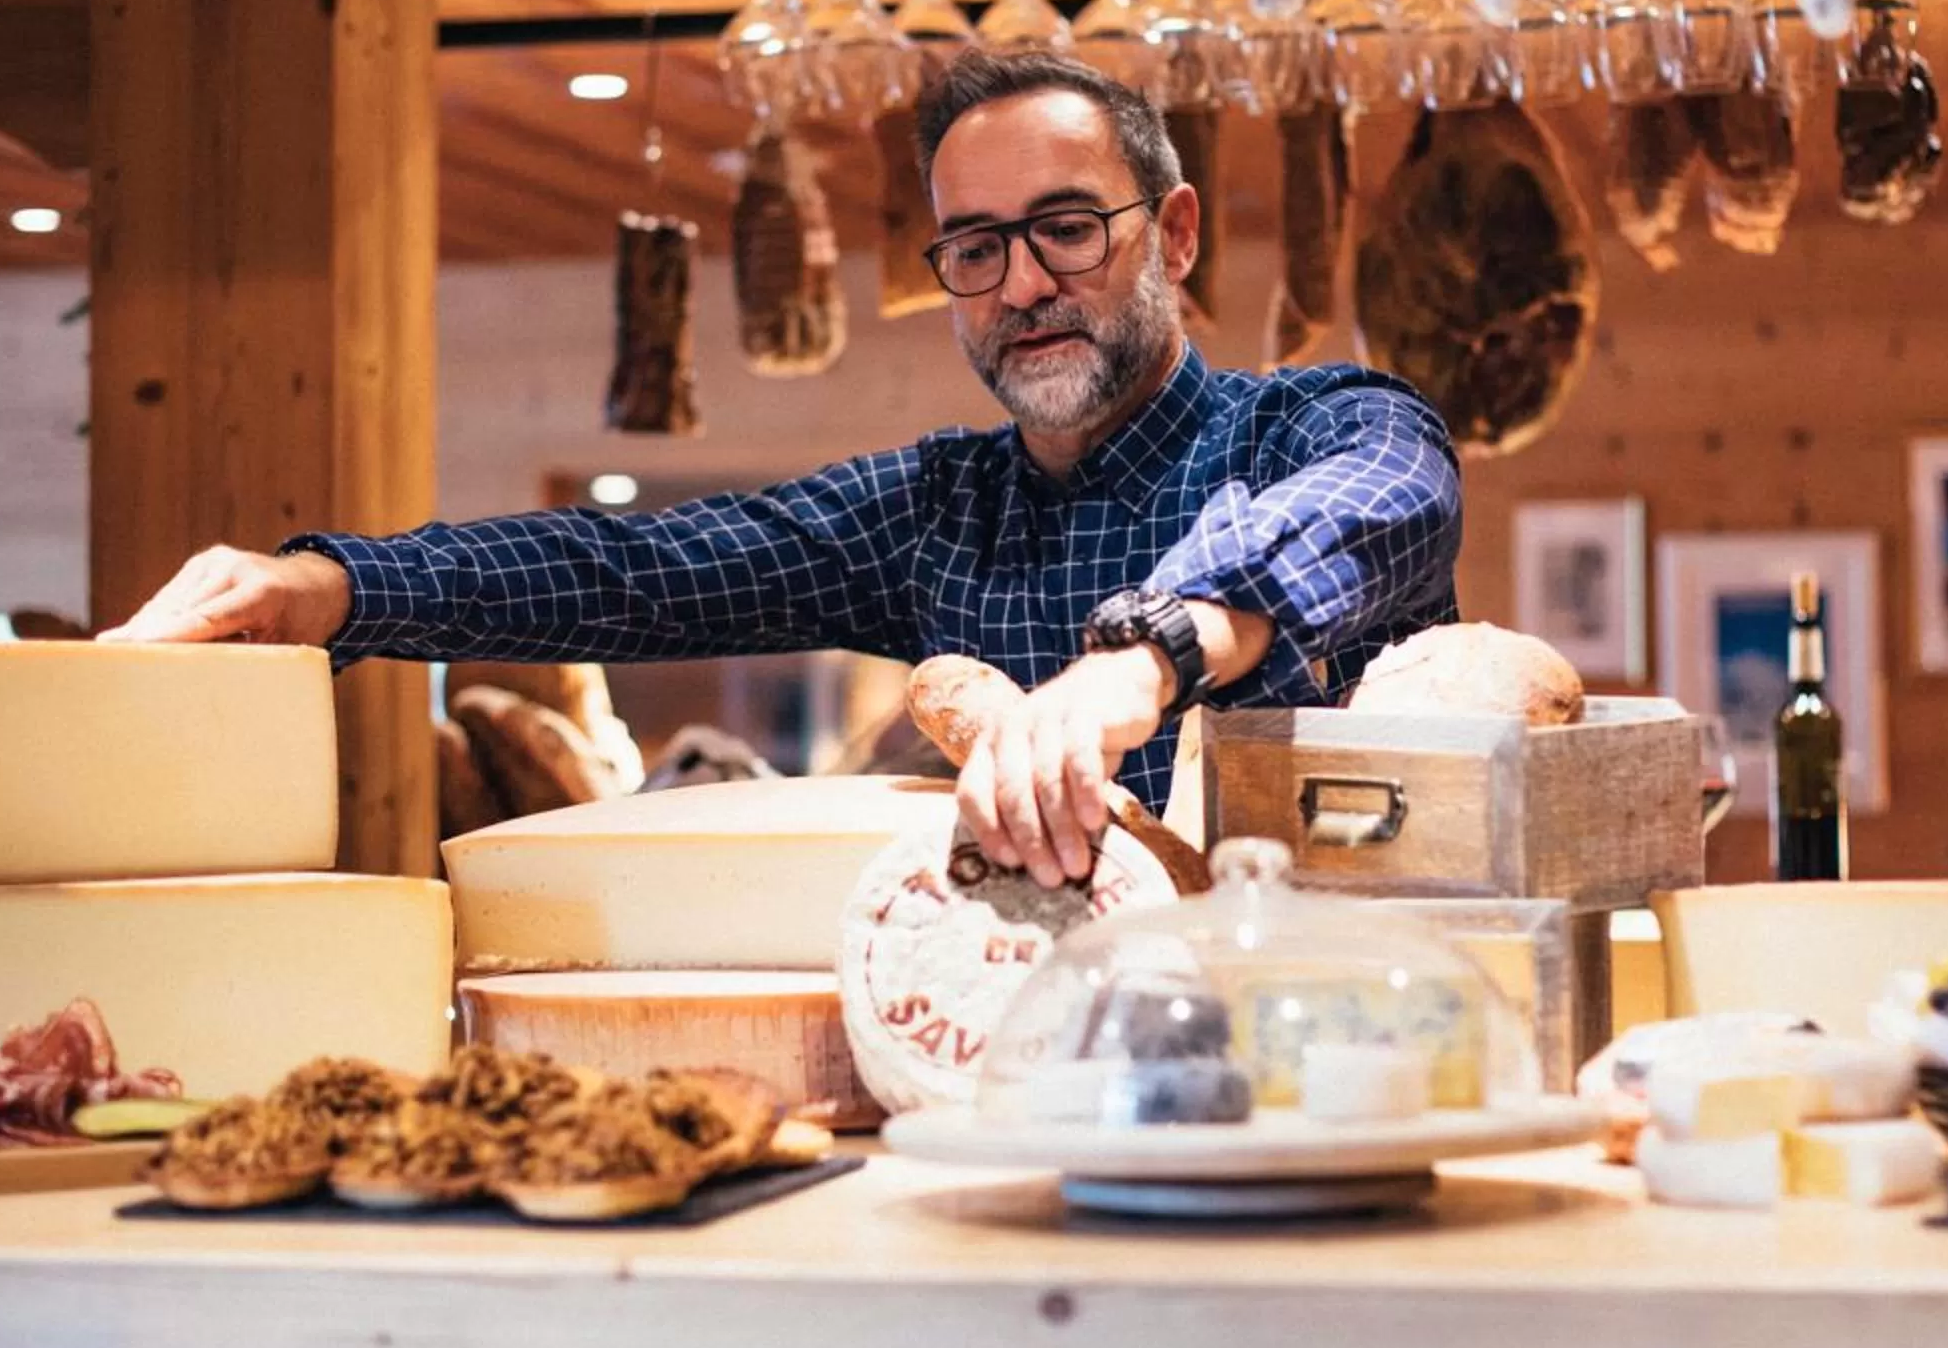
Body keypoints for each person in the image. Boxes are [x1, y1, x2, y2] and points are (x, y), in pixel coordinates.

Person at [106, 50, 1464, 886]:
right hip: (1015, 1070)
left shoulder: (1319, 427)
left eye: (1066, 228)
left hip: (1353, 1048)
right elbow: (635, 570)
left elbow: (1385, 498)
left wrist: (1143, 662)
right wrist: (332, 589)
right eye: (975, 249)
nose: (1022, 284)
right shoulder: (938, 512)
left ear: (1173, 235)